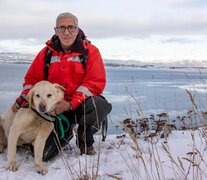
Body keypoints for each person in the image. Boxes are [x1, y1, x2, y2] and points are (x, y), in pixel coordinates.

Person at [12, 12, 112, 161]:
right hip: (55, 111)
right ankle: (65, 133)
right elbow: (32, 80)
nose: (66, 32)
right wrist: (24, 97)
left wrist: (70, 104)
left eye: (71, 27)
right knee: (44, 155)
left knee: (98, 104)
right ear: (56, 30)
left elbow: (94, 84)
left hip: (80, 106)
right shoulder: (46, 53)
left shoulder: (91, 52)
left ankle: (85, 143)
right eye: (62, 28)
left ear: (77, 30)